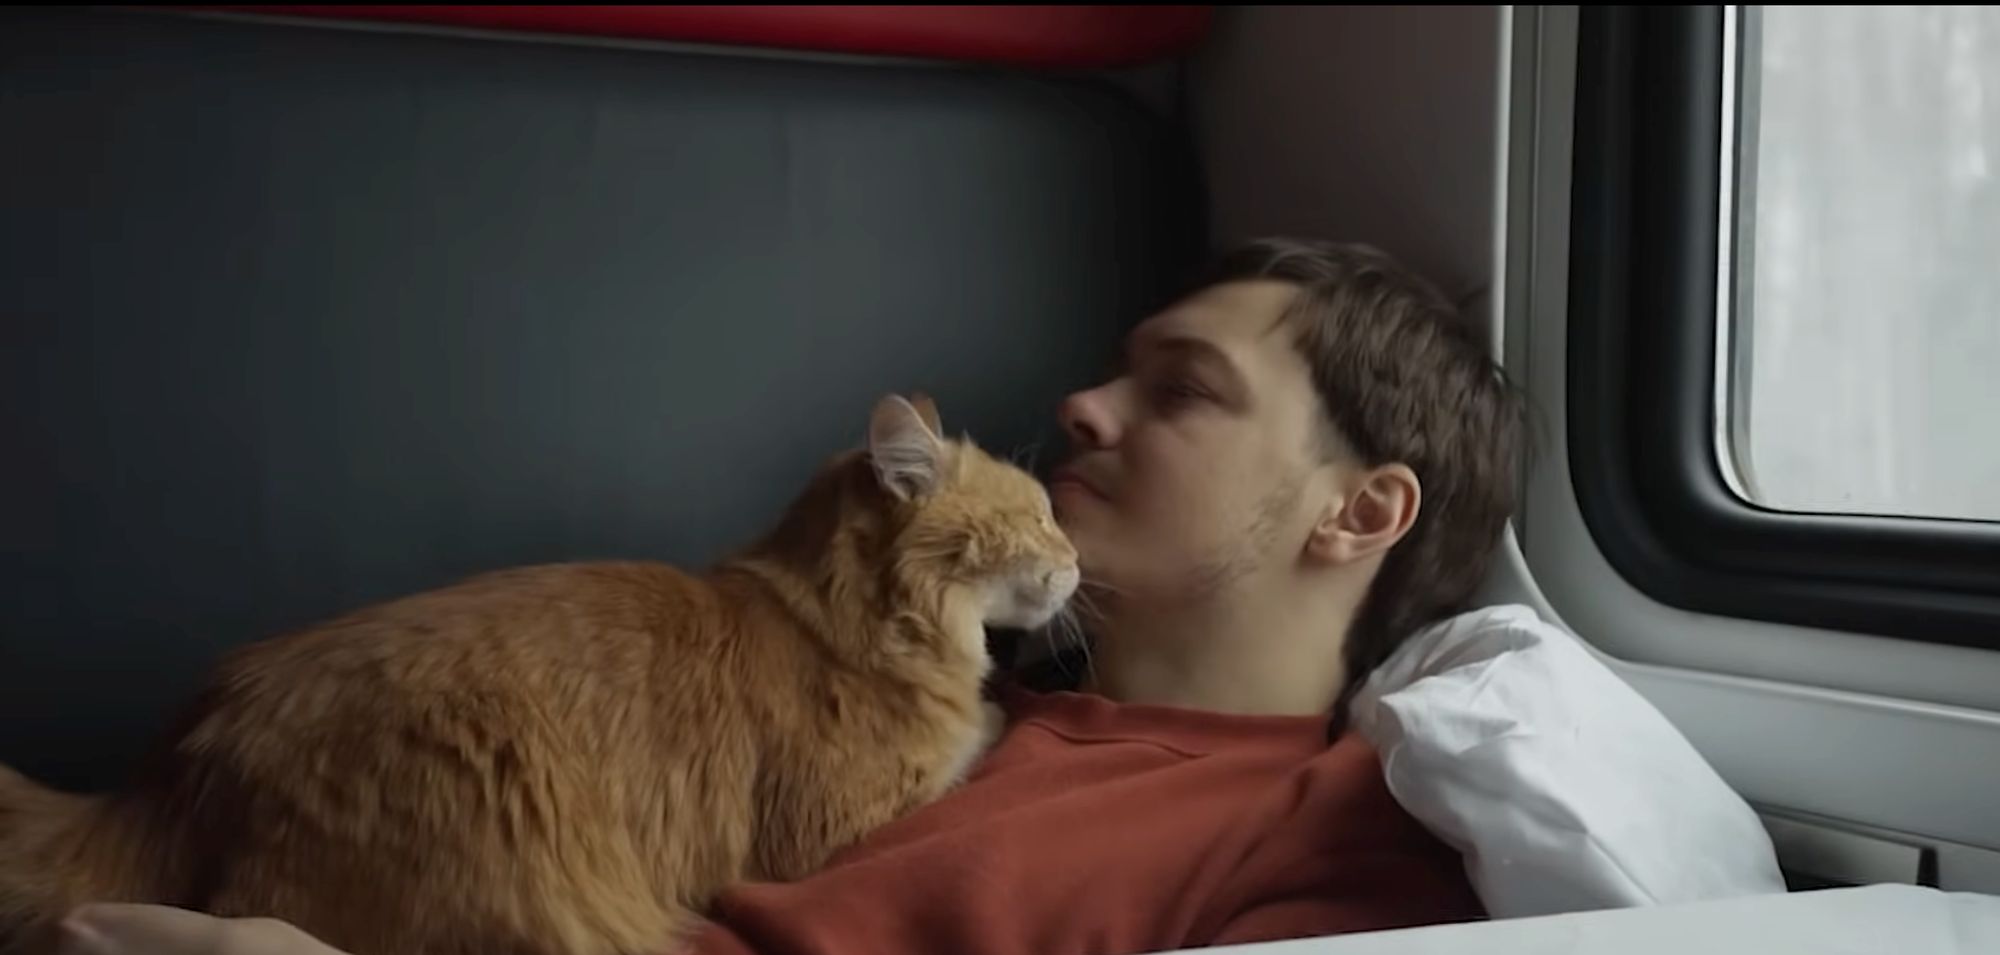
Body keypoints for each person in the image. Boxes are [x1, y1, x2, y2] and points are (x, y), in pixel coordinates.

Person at [55, 238, 1527, 955]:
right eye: (1110, 368)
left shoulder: (1323, 847)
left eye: (1182, 391)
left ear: (1361, 509)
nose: (1081, 404)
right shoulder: (924, 680)